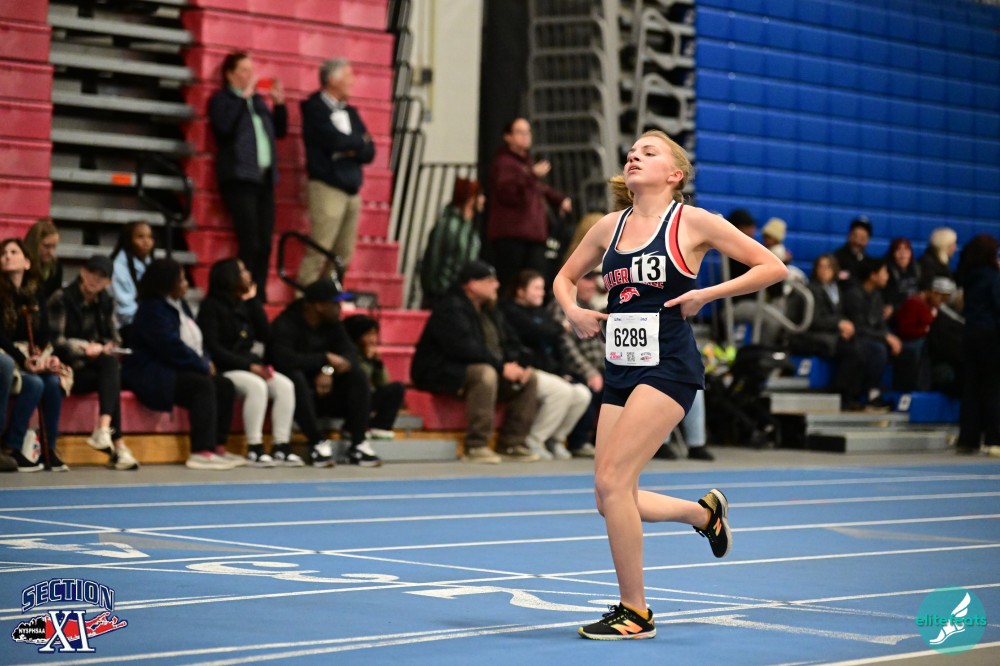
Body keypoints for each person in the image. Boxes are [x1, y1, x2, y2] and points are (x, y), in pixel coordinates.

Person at [553, 130, 787, 639]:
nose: (634, 155)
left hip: (668, 366)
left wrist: (706, 294)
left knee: (614, 482)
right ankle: (703, 515)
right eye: (632, 151)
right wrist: (573, 310)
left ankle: (635, 612)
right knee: (609, 495)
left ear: (674, 174)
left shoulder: (693, 221)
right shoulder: (609, 227)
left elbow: (771, 266)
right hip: (620, 367)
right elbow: (563, 278)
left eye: (649, 151)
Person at [411, 260, 541, 464]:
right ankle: (476, 445)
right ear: (471, 284)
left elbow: (510, 341)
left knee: (529, 378)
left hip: (480, 365)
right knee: (484, 373)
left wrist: (517, 365)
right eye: (490, 281)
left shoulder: (490, 309)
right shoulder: (450, 308)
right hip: (438, 370)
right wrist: (501, 367)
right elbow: (463, 349)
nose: (496, 285)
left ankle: (511, 443)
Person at [121, 259, 238, 470]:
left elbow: (197, 340)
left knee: (224, 386)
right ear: (168, 283)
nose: (186, 284)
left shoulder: (180, 305)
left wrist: (206, 360)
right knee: (202, 385)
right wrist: (201, 365)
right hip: (152, 374)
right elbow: (170, 347)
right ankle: (201, 451)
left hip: (177, 369)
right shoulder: (152, 309)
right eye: (182, 280)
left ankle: (218, 446)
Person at [270, 277, 383, 467]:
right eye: (335, 303)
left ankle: (358, 443)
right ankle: (316, 442)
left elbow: (350, 354)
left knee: (357, 374)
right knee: (294, 377)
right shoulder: (286, 323)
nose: (340, 308)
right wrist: (324, 358)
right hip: (297, 394)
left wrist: (327, 370)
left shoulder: (334, 324)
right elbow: (284, 360)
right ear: (319, 306)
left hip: (326, 392)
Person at [198, 258, 296, 467]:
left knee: (285, 386)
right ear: (229, 276)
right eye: (242, 270)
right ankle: (255, 447)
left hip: (249, 366)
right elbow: (213, 348)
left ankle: (281, 446)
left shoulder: (244, 305)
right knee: (256, 386)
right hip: (225, 368)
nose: (248, 274)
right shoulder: (211, 307)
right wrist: (249, 367)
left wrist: (253, 301)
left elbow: (266, 334)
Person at [48, 255, 138, 471]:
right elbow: (54, 340)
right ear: (82, 272)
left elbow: (115, 338)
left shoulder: (106, 302)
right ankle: (117, 444)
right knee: (111, 372)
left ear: (108, 282)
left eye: (102, 276)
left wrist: (106, 346)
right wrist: (84, 347)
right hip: (65, 370)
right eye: (91, 273)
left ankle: (104, 432)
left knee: (110, 367)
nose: (95, 279)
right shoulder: (61, 298)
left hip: (91, 369)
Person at [209, 51, 287, 296]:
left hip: (264, 179)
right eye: (243, 70)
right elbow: (224, 128)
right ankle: (242, 291)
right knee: (249, 241)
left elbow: (280, 131)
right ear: (229, 74)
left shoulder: (258, 102)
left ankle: (258, 292)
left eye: (250, 70)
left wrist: (279, 105)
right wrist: (242, 99)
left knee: (265, 243)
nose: (249, 75)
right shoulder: (222, 100)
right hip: (239, 178)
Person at [297, 58, 375, 285]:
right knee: (319, 248)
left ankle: (329, 294)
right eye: (348, 76)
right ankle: (303, 295)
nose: (352, 81)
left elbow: (369, 151)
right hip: (327, 186)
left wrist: (353, 145)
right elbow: (334, 140)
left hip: (351, 188)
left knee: (343, 254)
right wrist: (356, 142)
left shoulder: (351, 112)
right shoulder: (315, 108)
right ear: (332, 79)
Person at [501, 269, 590, 460]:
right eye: (536, 288)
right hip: (527, 369)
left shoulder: (541, 313)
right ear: (520, 291)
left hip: (550, 371)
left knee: (582, 394)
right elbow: (539, 331)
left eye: (542, 288)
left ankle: (555, 439)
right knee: (562, 391)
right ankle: (534, 439)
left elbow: (556, 342)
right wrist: (559, 327)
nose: (541, 293)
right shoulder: (509, 311)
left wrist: (564, 371)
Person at [0, 238, 67, 471]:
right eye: (3, 254)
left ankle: (49, 448)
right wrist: (22, 360)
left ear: (27, 262)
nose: (7, 256)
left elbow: (44, 332)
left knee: (52, 381)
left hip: (30, 355)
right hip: (9, 354)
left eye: (13, 252)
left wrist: (47, 357)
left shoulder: (35, 292)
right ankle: (11, 446)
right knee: (34, 383)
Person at [485, 118, 572, 291]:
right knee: (511, 283)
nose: (526, 136)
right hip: (512, 235)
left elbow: (540, 187)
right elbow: (506, 191)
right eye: (520, 132)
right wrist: (531, 174)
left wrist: (559, 199)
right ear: (507, 137)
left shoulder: (525, 162)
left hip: (532, 234)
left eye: (528, 132)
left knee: (535, 281)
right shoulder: (503, 162)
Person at [787, 254, 866, 409]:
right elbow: (814, 320)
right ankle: (840, 394)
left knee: (863, 348)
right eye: (821, 267)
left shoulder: (836, 289)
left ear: (834, 269)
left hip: (829, 333)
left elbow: (837, 315)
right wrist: (839, 325)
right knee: (852, 353)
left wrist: (844, 326)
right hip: (810, 335)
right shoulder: (812, 289)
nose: (824, 271)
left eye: (828, 267)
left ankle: (854, 395)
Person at [954, 234, 1000, 455]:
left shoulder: (969, 275)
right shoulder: (993, 277)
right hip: (991, 336)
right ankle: (994, 439)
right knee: (993, 388)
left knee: (971, 388)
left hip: (970, 334)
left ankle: (968, 439)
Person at [557, 270, 604, 458]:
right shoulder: (563, 307)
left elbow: (601, 344)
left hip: (598, 368)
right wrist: (589, 372)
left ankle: (603, 441)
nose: (593, 285)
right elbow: (565, 345)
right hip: (573, 369)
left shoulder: (590, 306)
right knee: (589, 388)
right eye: (588, 280)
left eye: (594, 280)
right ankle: (579, 441)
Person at [842, 258, 901, 408]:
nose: (887, 276)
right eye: (884, 272)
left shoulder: (877, 295)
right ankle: (869, 393)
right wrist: (885, 336)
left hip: (871, 336)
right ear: (873, 275)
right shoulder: (854, 294)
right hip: (854, 337)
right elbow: (858, 327)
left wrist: (889, 336)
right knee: (877, 349)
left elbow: (880, 324)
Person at [419, 177, 483, 307]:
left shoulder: (468, 226)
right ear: (471, 198)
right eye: (480, 195)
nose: (483, 200)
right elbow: (434, 259)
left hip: (459, 293)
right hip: (444, 294)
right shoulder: (449, 225)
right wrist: (437, 289)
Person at [342, 314, 406, 440]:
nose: (372, 339)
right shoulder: (346, 353)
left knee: (397, 388)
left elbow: (383, 383)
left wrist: (377, 364)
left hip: (366, 399)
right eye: (368, 334)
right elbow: (359, 379)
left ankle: (380, 426)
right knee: (362, 392)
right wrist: (365, 360)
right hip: (346, 399)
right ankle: (351, 427)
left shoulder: (370, 354)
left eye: (375, 334)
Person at [892, 276, 956, 391]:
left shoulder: (934, 307)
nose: (942, 303)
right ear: (933, 293)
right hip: (910, 342)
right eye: (941, 298)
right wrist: (926, 330)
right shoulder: (913, 303)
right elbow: (905, 330)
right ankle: (920, 387)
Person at [110, 221, 155, 341]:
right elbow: (124, 312)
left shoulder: (150, 263)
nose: (146, 242)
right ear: (129, 240)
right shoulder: (117, 267)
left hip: (147, 321)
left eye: (150, 237)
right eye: (140, 237)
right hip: (126, 326)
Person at [24, 219, 63, 301]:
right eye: (46, 246)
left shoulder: (55, 266)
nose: (51, 252)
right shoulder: (20, 265)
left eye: (54, 247)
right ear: (34, 243)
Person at [884, 237, 921, 314]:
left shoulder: (916, 268)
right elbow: (888, 300)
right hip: (897, 311)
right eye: (898, 250)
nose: (903, 254)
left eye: (906, 250)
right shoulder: (887, 271)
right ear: (892, 253)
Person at [832, 216, 873, 284]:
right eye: (855, 236)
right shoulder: (836, 259)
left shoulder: (869, 264)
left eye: (862, 238)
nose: (857, 242)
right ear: (849, 235)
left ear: (867, 240)